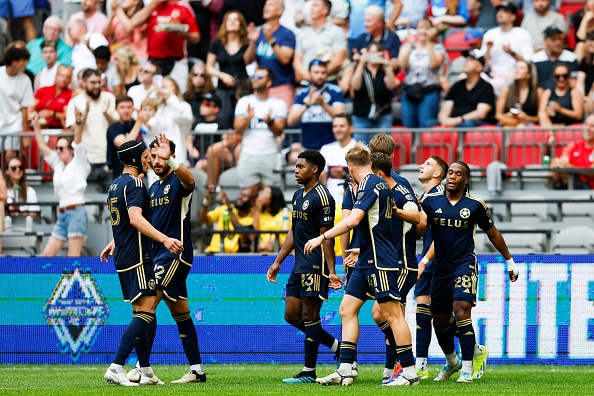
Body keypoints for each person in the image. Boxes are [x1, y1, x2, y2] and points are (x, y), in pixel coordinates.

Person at [306, 143, 419, 387]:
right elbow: (384, 225)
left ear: (349, 168)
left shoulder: (369, 183)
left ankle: (409, 372)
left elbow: (353, 220)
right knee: (347, 309)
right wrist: (361, 247)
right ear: (369, 162)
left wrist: (321, 237)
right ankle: (346, 368)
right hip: (367, 257)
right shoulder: (379, 185)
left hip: (381, 261)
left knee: (392, 314)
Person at [421, 161, 518, 383]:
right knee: (439, 321)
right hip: (440, 269)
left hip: (464, 265)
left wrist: (510, 261)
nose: (452, 176)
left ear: (466, 180)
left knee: (462, 310)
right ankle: (452, 362)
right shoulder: (430, 201)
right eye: (450, 173)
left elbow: (492, 233)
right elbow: (419, 227)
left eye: (458, 174)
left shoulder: (475, 205)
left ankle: (466, 369)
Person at [100, 139, 183, 387]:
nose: (150, 159)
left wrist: (114, 241)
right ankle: (116, 366)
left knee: (141, 311)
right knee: (145, 312)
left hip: (124, 255)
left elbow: (122, 220)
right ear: (137, 159)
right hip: (138, 256)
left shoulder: (115, 184)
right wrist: (165, 239)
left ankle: (145, 371)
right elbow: (135, 219)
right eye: (147, 156)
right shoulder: (135, 184)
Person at [132, 133, 206, 384]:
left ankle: (142, 368)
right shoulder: (152, 188)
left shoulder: (178, 181)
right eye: (152, 156)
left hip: (175, 254)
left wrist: (173, 162)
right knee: (180, 312)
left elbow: (191, 180)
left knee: (147, 304)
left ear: (172, 157)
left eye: (161, 156)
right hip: (157, 256)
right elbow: (145, 223)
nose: (156, 161)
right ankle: (197, 370)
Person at [267, 149, 341, 384]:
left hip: (315, 264)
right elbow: (294, 230)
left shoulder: (324, 197)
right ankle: (336, 346)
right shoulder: (298, 196)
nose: (296, 170)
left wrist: (331, 271)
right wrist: (279, 260)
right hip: (298, 265)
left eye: (300, 166)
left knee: (311, 315)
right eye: (296, 166)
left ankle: (309, 372)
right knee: (291, 315)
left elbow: (326, 236)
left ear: (315, 169)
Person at [368, 152, 422, 386]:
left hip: (402, 263)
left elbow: (417, 216)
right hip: (390, 262)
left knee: (386, 314)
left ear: (378, 173)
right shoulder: (380, 192)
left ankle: (407, 370)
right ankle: (398, 366)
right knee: (385, 315)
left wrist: (398, 212)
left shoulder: (399, 191)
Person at [32, 108, 90, 257]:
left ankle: (75, 281)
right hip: (62, 213)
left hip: (76, 212)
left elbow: (78, 142)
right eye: (56, 148)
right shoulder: (58, 164)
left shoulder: (79, 162)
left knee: (73, 257)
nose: (58, 151)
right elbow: (44, 148)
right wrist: (36, 127)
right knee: (47, 255)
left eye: (62, 148)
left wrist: (78, 123)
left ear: (70, 150)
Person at [413, 155, 448, 380]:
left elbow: (442, 236)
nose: (421, 165)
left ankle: (473, 351)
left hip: (443, 262)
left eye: (427, 164)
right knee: (423, 312)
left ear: (437, 173)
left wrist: (424, 262)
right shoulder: (427, 198)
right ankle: (421, 366)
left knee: (444, 317)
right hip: (429, 258)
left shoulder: (439, 198)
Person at [233, 66, 287, 196]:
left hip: (270, 154)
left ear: (269, 82)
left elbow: (279, 131)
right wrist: (249, 118)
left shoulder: (278, 104)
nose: (255, 79)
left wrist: (269, 122)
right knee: (248, 195)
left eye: (260, 77)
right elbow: (237, 129)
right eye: (254, 76)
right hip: (248, 154)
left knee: (270, 196)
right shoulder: (244, 101)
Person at [65, 68, 119, 192]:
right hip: (86, 158)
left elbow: (118, 125)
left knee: (111, 200)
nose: (97, 86)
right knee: (87, 199)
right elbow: (74, 130)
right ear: (83, 83)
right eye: (92, 82)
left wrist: (106, 113)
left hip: (108, 157)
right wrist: (85, 114)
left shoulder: (109, 97)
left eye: (99, 82)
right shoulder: (75, 102)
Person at [132, 0, 199, 86]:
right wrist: (155, 3)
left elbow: (196, 38)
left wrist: (182, 33)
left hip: (177, 61)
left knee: (177, 92)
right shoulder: (152, 6)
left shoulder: (183, 7)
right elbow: (134, 22)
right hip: (153, 62)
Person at [207, 10, 255, 129]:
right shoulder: (218, 43)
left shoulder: (246, 43)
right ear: (224, 23)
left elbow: (248, 60)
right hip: (224, 87)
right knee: (224, 118)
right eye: (229, 20)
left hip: (243, 87)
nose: (232, 22)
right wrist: (222, 76)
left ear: (241, 24)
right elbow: (208, 67)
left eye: (236, 20)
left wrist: (253, 42)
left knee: (243, 116)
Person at [398, 18, 445, 129]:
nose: (423, 31)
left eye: (426, 28)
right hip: (409, 91)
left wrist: (429, 42)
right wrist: (410, 45)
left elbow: (433, 64)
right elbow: (402, 65)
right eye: (420, 27)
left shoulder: (437, 48)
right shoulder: (406, 47)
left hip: (429, 92)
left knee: (425, 125)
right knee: (408, 127)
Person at [288, 59, 345, 151]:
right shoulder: (302, 93)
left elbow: (340, 116)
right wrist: (307, 105)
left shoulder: (335, 90)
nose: (320, 76)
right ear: (309, 73)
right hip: (307, 147)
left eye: (323, 73)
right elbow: (291, 121)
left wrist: (323, 104)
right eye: (316, 72)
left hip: (331, 147)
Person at [250, 0, 297, 110]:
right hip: (261, 87)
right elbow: (248, 60)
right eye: (265, 4)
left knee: (283, 123)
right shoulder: (258, 33)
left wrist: (271, 41)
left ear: (280, 11)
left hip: (282, 86)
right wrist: (252, 42)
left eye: (270, 5)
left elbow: (285, 59)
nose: (266, 7)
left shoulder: (287, 34)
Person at [481, 1, 534, 93]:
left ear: (513, 17)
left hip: (513, 75)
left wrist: (511, 53)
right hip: (493, 75)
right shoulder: (490, 34)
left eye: (505, 11)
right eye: (499, 11)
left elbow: (528, 61)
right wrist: (488, 50)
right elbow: (483, 63)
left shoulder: (522, 33)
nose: (500, 14)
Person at [350, 42, 397, 144]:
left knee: (382, 148)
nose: (374, 56)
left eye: (376, 53)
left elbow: (392, 85)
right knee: (361, 150)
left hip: (382, 115)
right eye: (371, 53)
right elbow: (355, 86)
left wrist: (388, 66)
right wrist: (361, 63)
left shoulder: (384, 70)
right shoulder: (361, 69)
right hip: (361, 115)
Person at [437, 50, 496, 128]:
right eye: (467, 59)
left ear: (479, 67)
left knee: (466, 125)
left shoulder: (486, 87)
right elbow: (446, 107)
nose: (466, 62)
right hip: (454, 121)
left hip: (473, 123)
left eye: (471, 60)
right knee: (428, 124)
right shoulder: (457, 86)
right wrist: (444, 120)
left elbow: (481, 113)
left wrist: (458, 120)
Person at [293, 0, 348, 83]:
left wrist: (319, 75)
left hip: (329, 81)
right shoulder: (304, 33)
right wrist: (309, 76)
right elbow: (297, 61)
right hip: (306, 82)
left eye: (315, 6)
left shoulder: (336, 31)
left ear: (325, 10)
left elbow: (338, 60)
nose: (311, 8)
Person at [198, 185, 257, 253]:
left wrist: (228, 205)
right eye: (241, 194)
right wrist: (207, 201)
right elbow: (202, 220)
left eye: (245, 196)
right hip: (213, 252)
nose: (240, 197)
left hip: (232, 257)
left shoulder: (251, 218)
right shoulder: (224, 208)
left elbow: (239, 229)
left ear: (252, 202)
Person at [0, 46, 34, 159]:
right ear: (13, 61)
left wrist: (25, 135)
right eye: (23, 60)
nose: (25, 63)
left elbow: (24, 109)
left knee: (10, 157)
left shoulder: (25, 80)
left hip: (14, 125)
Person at [550, 114, 594, 189]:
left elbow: (592, 172)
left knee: (563, 173)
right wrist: (557, 164)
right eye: (586, 124)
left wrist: (569, 167)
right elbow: (563, 162)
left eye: (592, 126)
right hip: (571, 184)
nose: (587, 128)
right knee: (556, 172)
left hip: (589, 189)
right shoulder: (573, 145)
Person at [320, 113, 357, 203]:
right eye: (335, 126)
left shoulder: (359, 149)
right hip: (329, 202)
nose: (338, 129)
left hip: (354, 202)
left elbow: (366, 179)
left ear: (351, 128)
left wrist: (345, 175)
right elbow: (322, 179)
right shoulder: (325, 149)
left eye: (342, 126)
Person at [106, 95, 145, 180]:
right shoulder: (114, 128)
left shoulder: (138, 124)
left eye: (129, 107)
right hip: (120, 176)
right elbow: (125, 145)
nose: (126, 110)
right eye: (122, 107)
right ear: (116, 109)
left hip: (141, 174)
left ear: (133, 108)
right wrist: (139, 121)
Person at [352, 5, 401, 72]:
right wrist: (358, 61)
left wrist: (383, 60)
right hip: (366, 76)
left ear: (379, 22)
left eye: (369, 21)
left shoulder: (392, 38)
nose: (365, 24)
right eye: (365, 21)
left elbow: (396, 65)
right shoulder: (362, 38)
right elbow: (356, 63)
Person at [495, 60, 542, 126]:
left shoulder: (538, 91)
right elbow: (498, 115)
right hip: (509, 123)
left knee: (522, 127)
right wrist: (509, 115)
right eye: (516, 68)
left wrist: (527, 118)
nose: (517, 70)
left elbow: (541, 117)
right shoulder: (506, 90)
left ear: (529, 74)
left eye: (521, 68)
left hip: (528, 125)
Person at [538, 62, 584, 128]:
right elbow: (541, 113)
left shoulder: (574, 92)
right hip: (551, 126)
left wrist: (560, 109)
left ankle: (552, 135)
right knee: (542, 115)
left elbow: (578, 115)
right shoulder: (548, 92)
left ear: (569, 77)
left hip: (569, 128)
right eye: (558, 76)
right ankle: (552, 135)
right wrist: (547, 113)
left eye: (564, 76)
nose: (561, 79)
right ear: (553, 77)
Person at [533, 25, 579, 91]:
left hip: (564, 94)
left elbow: (573, 82)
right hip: (541, 94)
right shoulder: (536, 59)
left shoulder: (571, 57)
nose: (558, 42)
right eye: (553, 39)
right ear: (545, 40)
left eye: (560, 39)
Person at [32, 65, 74, 129]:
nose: (64, 79)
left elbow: (68, 115)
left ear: (70, 80)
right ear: (56, 76)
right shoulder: (42, 90)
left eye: (67, 77)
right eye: (61, 76)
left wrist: (52, 114)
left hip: (57, 128)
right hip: (38, 126)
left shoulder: (71, 94)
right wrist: (34, 115)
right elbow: (30, 109)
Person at [252, 185, 287, 252]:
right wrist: (257, 209)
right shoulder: (260, 214)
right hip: (264, 251)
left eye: (266, 193)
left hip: (284, 251)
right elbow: (254, 233)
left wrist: (276, 245)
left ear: (274, 196)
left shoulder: (286, 213)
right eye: (262, 192)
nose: (262, 195)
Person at [185, 60, 216, 129]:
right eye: (195, 75)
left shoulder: (213, 95)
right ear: (191, 77)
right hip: (189, 129)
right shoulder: (185, 96)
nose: (198, 78)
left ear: (206, 78)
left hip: (207, 128)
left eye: (202, 75)